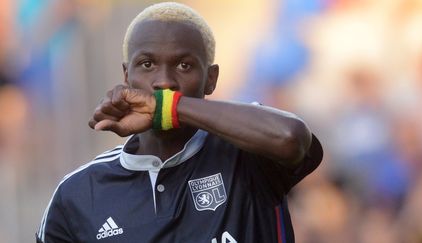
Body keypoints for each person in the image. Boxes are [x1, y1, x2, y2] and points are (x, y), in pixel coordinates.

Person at [36, 2, 323, 243]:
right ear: (127, 76)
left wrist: (166, 107)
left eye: (184, 65)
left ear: (211, 79)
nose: (164, 81)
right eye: (147, 64)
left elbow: (291, 137)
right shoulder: (78, 194)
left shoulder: (248, 153)